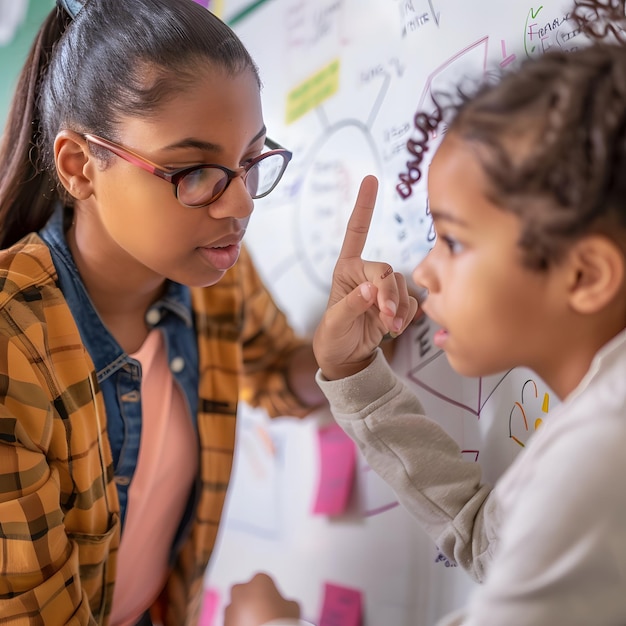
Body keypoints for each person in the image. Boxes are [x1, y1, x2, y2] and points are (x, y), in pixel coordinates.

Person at [222, 1, 626, 625]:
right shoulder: (592, 434)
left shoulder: (604, 455)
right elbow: (487, 537)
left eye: (455, 242)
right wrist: (356, 376)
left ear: (586, 274)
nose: (425, 270)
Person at [0, 0, 329, 624]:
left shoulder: (216, 276)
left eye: (250, 162)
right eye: (195, 171)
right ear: (80, 167)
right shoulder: (11, 341)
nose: (239, 206)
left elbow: (273, 373)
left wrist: (338, 361)